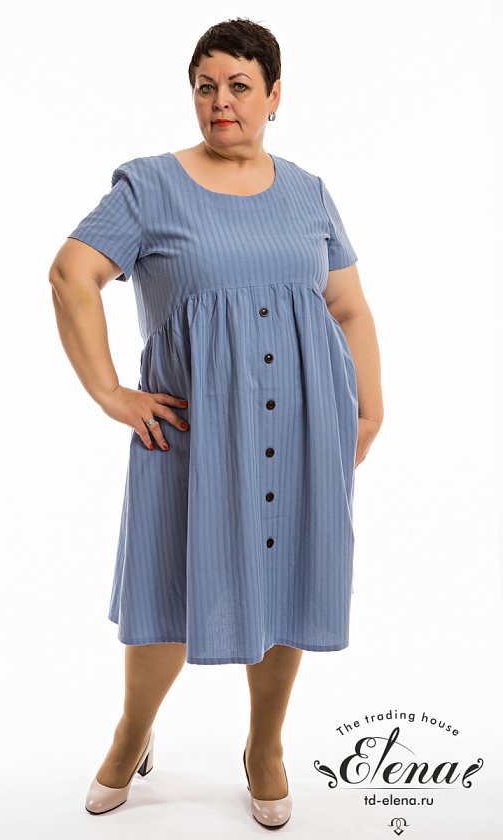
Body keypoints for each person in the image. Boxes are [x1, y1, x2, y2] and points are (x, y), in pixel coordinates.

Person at [49, 16, 383, 831]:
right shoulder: (150, 188)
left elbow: (346, 304)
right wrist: (111, 393)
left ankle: (264, 746)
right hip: (190, 436)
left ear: (275, 94)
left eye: (239, 85)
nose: (221, 102)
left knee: (289, 581)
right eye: (206, 87)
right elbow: (71, 275)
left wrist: (369, 408)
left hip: (305, 430)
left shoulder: (308, 192)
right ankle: (131, 733)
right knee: (166, 584)